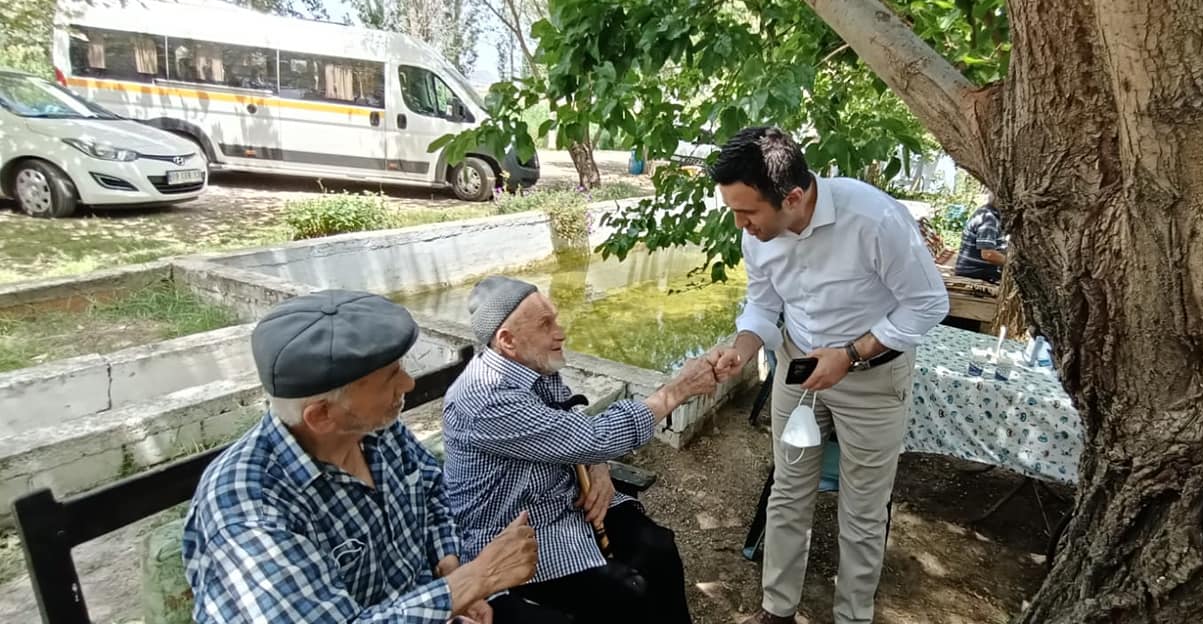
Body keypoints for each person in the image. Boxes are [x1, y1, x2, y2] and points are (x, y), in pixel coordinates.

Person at [182, 289, 567, 624]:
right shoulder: (249, 513)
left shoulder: (373, 429)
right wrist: (471, 581)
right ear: (321, 415)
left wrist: (450, 567)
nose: (409, 383)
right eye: (391, 377)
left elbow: (433, 489)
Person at [704, 127, 951, 624]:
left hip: (874, 377)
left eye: (747, 212)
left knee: (863, 508)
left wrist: (852, 354)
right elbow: (763, 301)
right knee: (788, 491)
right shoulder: (757, 234)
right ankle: (777, 609)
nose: (740, 224)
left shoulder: (875, 218)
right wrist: (742, 346)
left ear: (792, 197)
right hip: (797, 367)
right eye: (733, 210)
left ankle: (852, 616)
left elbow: (928, 305)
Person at [442, 276, 719, 624]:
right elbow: (591, 435)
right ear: (508, 340)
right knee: (625, 594)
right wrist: (677, 390)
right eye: (546, 324)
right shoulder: (487, 399)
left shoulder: (530, 364)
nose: (560, 332)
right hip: (519, 530)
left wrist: (597, 462)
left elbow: (570, 416)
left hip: (566, 498)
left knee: (658, 549)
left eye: (555, 318)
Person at [952, 195, 1006, 283]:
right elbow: (988, 254)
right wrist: (1012, 265)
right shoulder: (989, 219)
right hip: (975, 274)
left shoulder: (987, 212)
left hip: (979, 272)